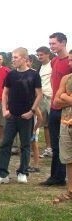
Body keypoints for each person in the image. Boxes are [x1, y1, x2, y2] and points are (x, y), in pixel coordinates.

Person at [0, 48, 42, 185]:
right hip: (11, 116)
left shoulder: (33, 75)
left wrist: (32, 111)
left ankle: (23, 172)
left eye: (16, 57)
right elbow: (5, 93)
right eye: (12, 57)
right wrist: (4, 110)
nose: (13, 59)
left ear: (24, 59)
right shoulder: (11, 75)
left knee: (25, 145)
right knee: (5, 143)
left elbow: (39, 95)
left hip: (26, 116)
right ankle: (1, 174)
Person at [41, 32, 71, 186]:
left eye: (54, 43)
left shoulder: (69, 62)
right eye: (50, 43)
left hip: (65, 107)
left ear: (63, 43)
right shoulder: (53, 62)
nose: (51, 46)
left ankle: (60, 176)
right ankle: (57, 176)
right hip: (54, 106)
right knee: (55, 143)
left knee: (64, 142)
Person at [52, 51, 72, 203]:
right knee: (68, 158)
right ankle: (70, 191)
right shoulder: (66, 78)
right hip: (65, 123)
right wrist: (64, 97)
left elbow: (61, 97)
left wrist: (65, 96)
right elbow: (56, 102)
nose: (69, 63)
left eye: (71, 60)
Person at [36, 46, 53, 158]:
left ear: (48, 54)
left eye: (41, 54)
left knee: (54, 124)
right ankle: (48, 148)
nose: (39, 57)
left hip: (51, 98)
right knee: (45, 124)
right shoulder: (40, 68)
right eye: (38, 55)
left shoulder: (53, 65)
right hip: (42, 98)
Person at [29, 108, 44, 172]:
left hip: (33, 129)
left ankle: (36, 166)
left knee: (34, 146)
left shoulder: (34, 106)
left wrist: (34, 129)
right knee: (26, 146)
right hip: (27, 128)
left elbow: (40, 118)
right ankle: (26, 164)